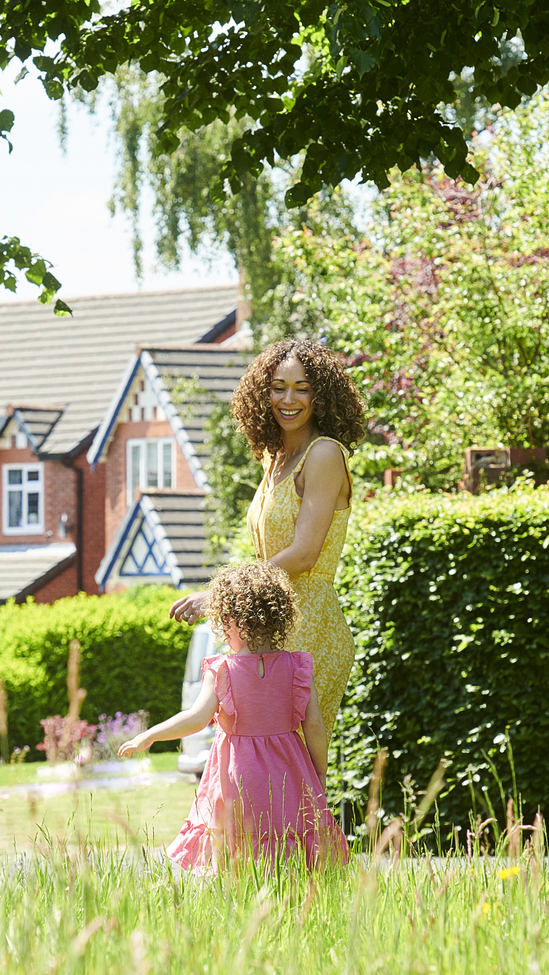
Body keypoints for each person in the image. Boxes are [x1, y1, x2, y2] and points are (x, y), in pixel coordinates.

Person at [170, 339, 368, 768]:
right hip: (268, 622)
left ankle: (312, 838)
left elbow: (304, 554)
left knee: (291, 768)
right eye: (279, 387)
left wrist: (220, 595)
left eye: (302, 387)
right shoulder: (274, 457)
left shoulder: (324, 454)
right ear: (264, 392)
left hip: (310, 624)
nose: (289, 399)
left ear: (322, 394)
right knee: (253, 761)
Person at [122, 562, 347, 870]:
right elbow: (315, 727)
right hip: (291, 776)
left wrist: (149, 735)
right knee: (288, 852)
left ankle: (243, 910)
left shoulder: (223, 670)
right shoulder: (298, 667)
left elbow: (195, 718)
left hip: (239, 777)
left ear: (231, 618)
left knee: (239, 852)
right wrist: (318, 772)